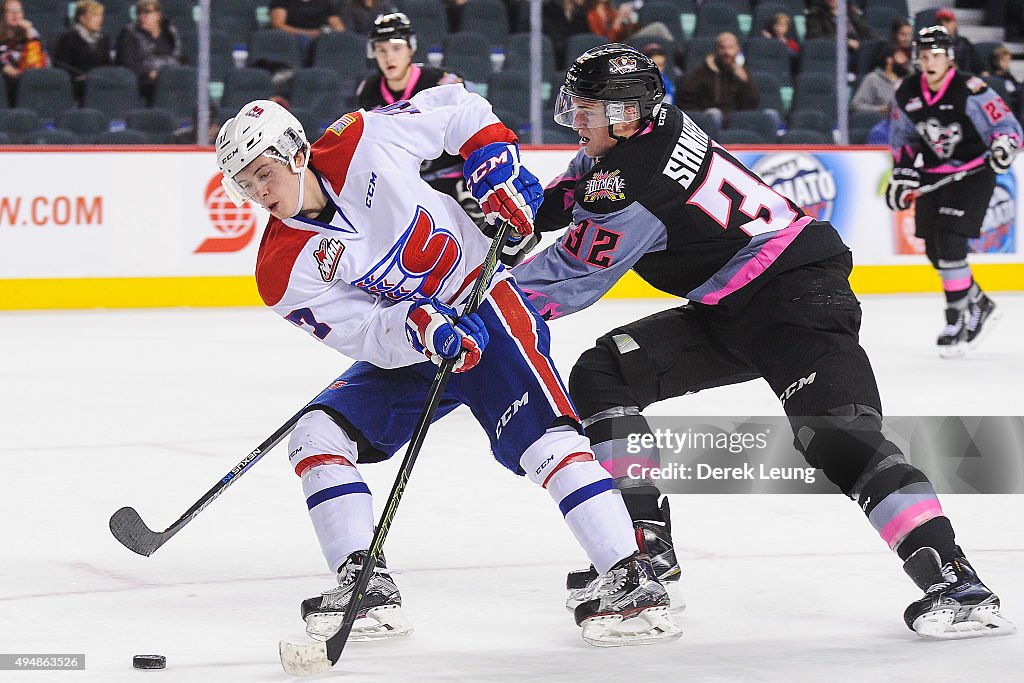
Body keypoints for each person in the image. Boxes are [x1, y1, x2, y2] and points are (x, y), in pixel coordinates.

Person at [513, 42, 1016, 640]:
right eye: (578, 109)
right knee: (607, 371)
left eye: (591, 111)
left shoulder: (635, 181)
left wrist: (473, 302)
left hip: (793, 299)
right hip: (732, 307)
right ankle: (643, 548)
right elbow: (576, 192)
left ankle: (957, 583)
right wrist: (514, 209)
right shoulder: (650, 133)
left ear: (628, 114)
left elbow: (566, 280)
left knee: (840, 439)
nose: (577, 123)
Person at [213, 89, 682, 646]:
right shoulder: (280, 270)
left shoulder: (359, 140)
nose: (259, 193)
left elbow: (459, 109)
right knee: (317, 433)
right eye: (245, 184)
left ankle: (631, 579)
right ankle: (364, 585)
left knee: (544, 440)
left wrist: (492, 161)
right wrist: (417, 327)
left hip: (484, 302)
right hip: (421, 343)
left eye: (263, 173)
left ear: (295, 153)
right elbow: (363, 333)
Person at [886, 26, 1022, 357]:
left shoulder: (972, 89)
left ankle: (956, 318)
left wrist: (1004, 145)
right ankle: (978, 302)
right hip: (934, 175)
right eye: (924, 56)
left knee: (950, 243)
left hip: (974, 173)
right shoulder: (907, 91)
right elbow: (903, 138)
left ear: (949, 58)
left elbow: (1007, 127)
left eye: (936, 56)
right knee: (934, 250)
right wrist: (903, 175)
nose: (930, 62)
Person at [356, 13, 484, 229]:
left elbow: (476, 125)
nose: (389, 58)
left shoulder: (443, 82)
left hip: (452, 178)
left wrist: (473, 175)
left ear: (411, 48)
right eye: (381, 50)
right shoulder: (368, 90)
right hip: (405, 184)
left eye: (396, 48)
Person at [678, 31, 759, 130]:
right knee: (715, 114)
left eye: (731, 48)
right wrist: (702, 113)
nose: (727, 52)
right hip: (708, 121)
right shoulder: (699, 73)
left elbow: (752, 105)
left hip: (734, 120)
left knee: (770, 115)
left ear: (737, 49)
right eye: (722, 48)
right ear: (716, 49)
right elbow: (686, 102)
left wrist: (745, 82)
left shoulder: (742, 73)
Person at [115, 0, 183, 106]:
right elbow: (127, 64)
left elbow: (181, 57)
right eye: (139, 13)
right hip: (144, 82)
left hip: (171, 77)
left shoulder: (170, 32)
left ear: (158, 15)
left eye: (147, 12)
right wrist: (148, 73)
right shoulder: (129, 34)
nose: (142, 17)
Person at [53, 0, 113, 105]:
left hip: (100, 85)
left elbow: (107, 66)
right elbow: (61, 68)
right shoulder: (69, 38)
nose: (100, 19)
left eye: (101, 15)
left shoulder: (104, 39)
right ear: (82, 18)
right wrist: (79, 77)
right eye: (95, 15)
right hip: (76, 87)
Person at [0, 0, 49, 107]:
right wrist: (2, 67)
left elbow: (36, 66)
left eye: (18, 11)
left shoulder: (31, 34)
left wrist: (29, 34)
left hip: (28, 85)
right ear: (3, 15)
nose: (15, 15)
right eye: (10, 11)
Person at [269, 0, 345, 64]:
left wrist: (330, 34)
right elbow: (278, 25)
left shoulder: (324, 3)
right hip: (293, 39)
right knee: (304, 40)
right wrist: (309, 34)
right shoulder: (282, 2)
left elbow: (338, 27)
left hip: (321, 38)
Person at [850, 44, 904, 116]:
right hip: (882, 123)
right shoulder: (873, 79)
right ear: (889, 60)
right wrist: (880, 109)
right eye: (900, 57)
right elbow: (857, 105)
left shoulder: (907, 79)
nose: (905, 60)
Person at [542, 0, 589, 69]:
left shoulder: (582, 11)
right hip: (556, 60)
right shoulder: (548, 9)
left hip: (579, 61)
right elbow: (554, 37)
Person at [934, 8, 981, 76]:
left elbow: (979, 68)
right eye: (940, 23)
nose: (944, 25)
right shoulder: (930, 45)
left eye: (947, 21)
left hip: (964, 80)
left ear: (955, 24)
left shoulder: (965, 43)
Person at [983, 45, 1022, 114]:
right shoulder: (991, 75)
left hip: (1013, 98)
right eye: (1003, 61)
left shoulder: (1008, 75)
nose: (1006, 64)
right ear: (995, 61)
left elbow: (1016, 85)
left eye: (1008, 60)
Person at [640, 42, 675, 107]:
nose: (658, 69)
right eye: (655, 65)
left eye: (661, 65)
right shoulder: (639, 84)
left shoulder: (666, 82)